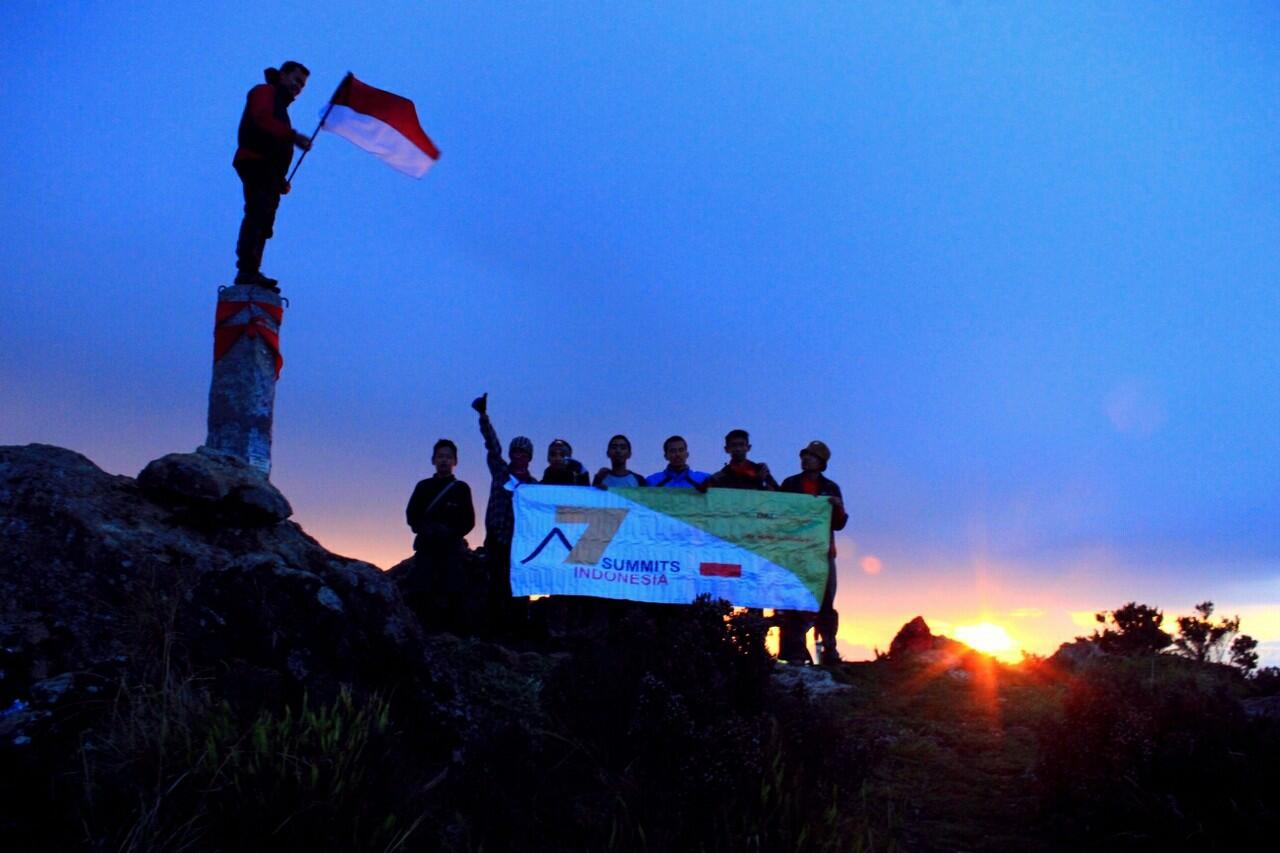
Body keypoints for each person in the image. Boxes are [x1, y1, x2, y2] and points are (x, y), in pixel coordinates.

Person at [233, 61, 313, 291]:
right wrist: (293, 136)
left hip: (268, 170)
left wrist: (279, 181)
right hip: (255, 161)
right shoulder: (264, 92)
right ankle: (247, 271)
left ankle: (252, 270)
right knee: (257, 214)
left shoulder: (281, 107)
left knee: (264, 219)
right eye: (296, 80)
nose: (299, 87)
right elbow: (262, 120)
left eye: (302, 85)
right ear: (283, 75)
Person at [778, 440, 848, 665]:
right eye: (804, 455)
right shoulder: (790, 484)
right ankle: (795, 651)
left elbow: (839, 524)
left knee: (826, 602)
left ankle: (829, 649)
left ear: (821, 462)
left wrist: (837, 506)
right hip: (795, 553)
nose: (806, 459)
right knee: (794, 601)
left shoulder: (831, 488)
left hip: (823, 553)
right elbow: (776, 512)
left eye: (811, 456)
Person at [472, 393, 537, 627]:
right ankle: (493, 629)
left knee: (519, 587)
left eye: (524, 452)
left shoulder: (534, 486)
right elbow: (492, 447)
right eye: (515, 451)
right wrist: (483, 418)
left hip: (521, 542)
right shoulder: (501, 471)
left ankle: (518, 630)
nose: (519, 455)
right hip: (496, 538)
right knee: (495, 585)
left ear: (530, 457)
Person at [404, 439, 475, 632]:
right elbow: (412, 514)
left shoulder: (461, 489)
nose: (444, 460)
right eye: (440, 456)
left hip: (452, 550)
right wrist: (425, 529)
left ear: (455, 461)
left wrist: (450, 532)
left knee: (453, 592)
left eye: (448, 457)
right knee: (422, 591)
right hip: (426, 548)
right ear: (433, 460)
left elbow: (469, 521)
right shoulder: (423, 486)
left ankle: (452, 636)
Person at [700, 429, 778, 491]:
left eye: (741, 445)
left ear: (748, 447)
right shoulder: (718, 478)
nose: (738, 449)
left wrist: (760, 482)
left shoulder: (760, 471)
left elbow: (778, 494)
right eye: (734, 445)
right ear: (726, 449)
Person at [645, 435, 710, 488]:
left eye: (681, 450)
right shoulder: (652, 482)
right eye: (673, 451)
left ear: (687, 454)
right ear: (666, 456)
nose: (677, 454)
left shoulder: (704, 479)